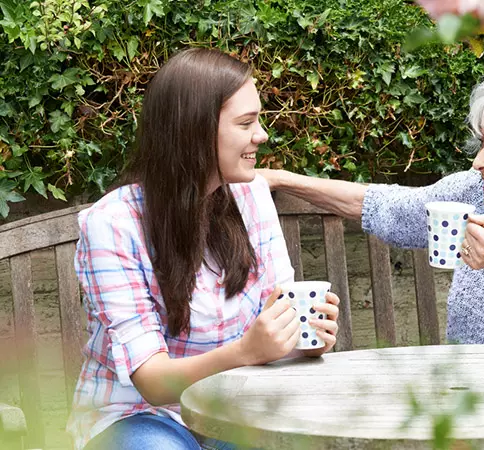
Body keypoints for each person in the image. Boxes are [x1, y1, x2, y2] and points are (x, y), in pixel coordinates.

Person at [67, 48, 340, 450]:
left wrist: (302, 337)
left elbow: (280, 314)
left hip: (235, 409)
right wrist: (248, 351)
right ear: (193, 130)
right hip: (137, 416)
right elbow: (153, 381)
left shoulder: (252, 199)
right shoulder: (112, 224)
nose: (261, 135)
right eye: (246, 122)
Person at [259, 71, 484, 349]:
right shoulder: (474, 192)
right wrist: (281, 179)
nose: (479, 161)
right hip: (463, 402)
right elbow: (385, 206)